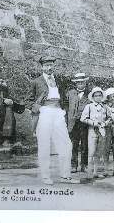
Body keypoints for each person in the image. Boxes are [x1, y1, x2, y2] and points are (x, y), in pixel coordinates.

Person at [27, 56, 79, 185]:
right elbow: (28, 100)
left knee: (66, 144)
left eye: (51, 65)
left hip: (58, 114)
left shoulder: (59, 81)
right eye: (46, 65)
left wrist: (65, 110)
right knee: (44, 145)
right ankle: (45, 176)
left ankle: (65, 175)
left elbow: (64, 99)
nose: (49, 68)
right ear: (42, 67)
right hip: (44, 113)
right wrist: (38, 109)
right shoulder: (36, 82)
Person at [80, 87, 109, 179]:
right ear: (92, 97)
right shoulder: (89, 106)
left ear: (102, 96)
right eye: (96, 95)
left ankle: (96, 172)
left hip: (102, 131)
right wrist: (93, 123)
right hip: (92, 130)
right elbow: (83, 118)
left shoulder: (105, 107)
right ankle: (89, 172)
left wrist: (105, 123)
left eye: (100, 95)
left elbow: (109, 118)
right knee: (91, 152)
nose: (98, 97)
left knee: (99, 152)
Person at [66, 72, 90, 173]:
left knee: (85, 144)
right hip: (73, 122)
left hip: (85, 123)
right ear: (75, 84)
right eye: (78, 82)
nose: (80, 84)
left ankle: (84, 165)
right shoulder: (70, 93)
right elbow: (66, 105)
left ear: (85, 83)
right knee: (73, 145)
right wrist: (68, 117)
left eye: (82, 82)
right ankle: (73, 165)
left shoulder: (90, 94)